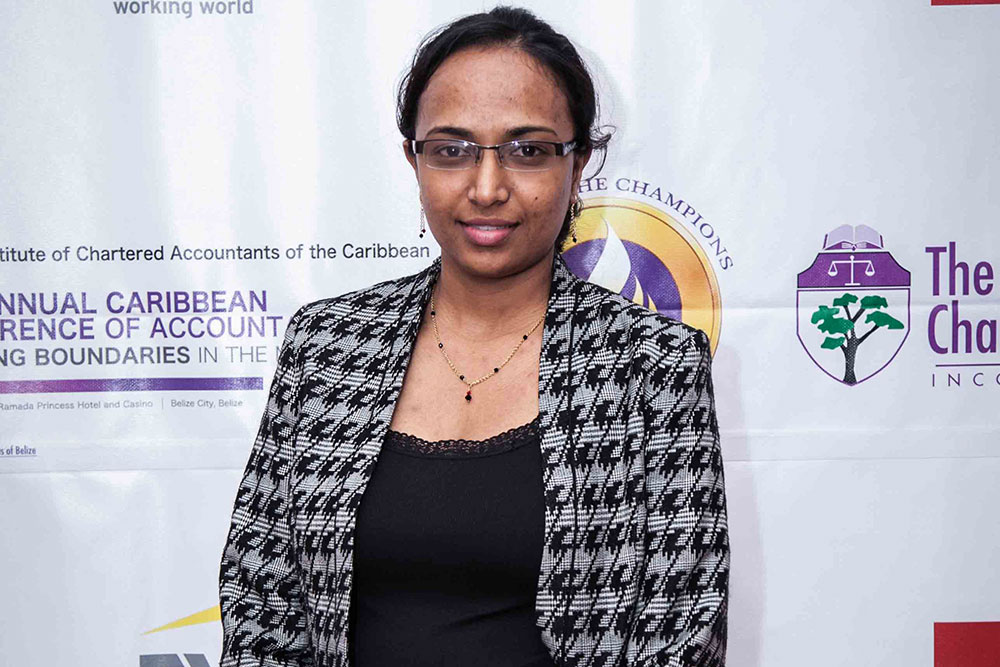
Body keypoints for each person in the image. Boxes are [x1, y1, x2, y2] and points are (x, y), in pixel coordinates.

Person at [219, 6, 729, 667]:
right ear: (414, 160)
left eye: (528, 151)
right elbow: (262, 607)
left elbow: (682, 633)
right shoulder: (325, 346)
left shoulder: (652, 366)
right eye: (452, 150)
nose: (487, 188)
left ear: (578, 164)